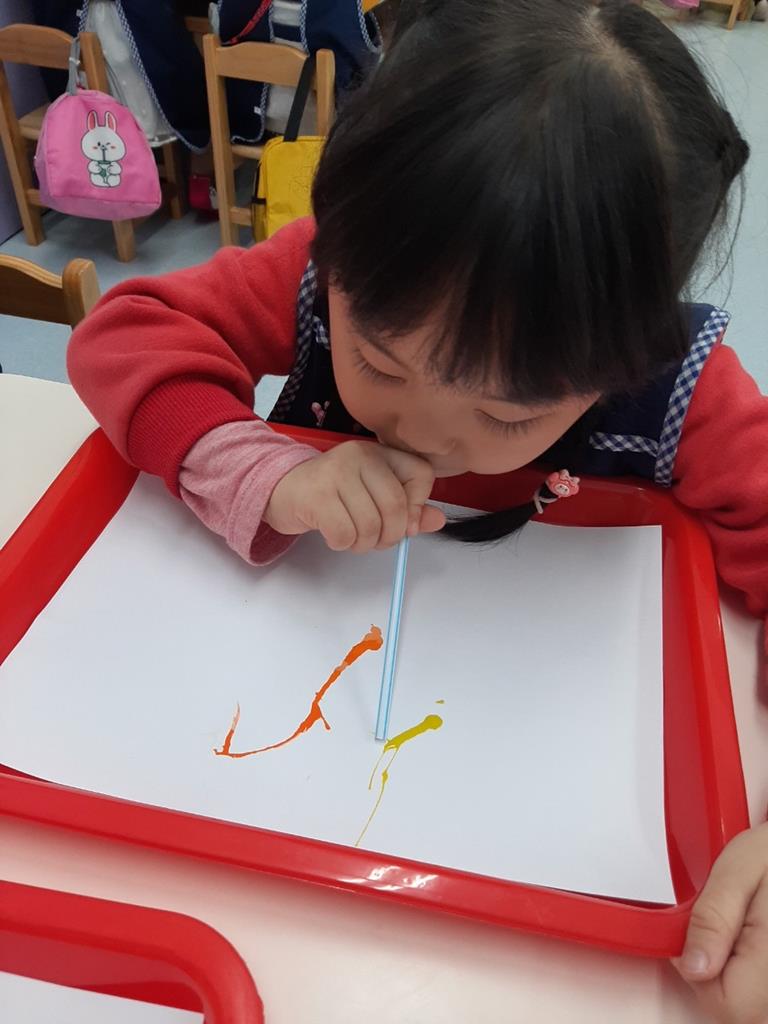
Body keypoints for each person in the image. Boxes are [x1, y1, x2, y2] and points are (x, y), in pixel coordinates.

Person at [67, 1, 768, 1017]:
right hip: (253, 867)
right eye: (380, 364)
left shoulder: (683, 391)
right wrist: (270, 473)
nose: (426, 435)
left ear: (626, 351)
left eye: (506, 411)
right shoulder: (336, 269)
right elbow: (123, 335)